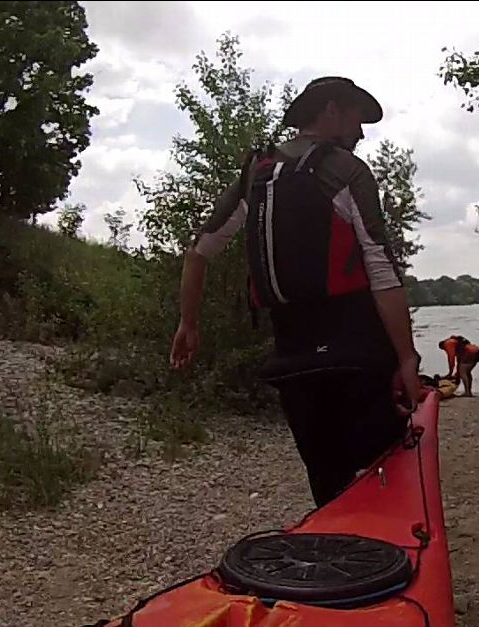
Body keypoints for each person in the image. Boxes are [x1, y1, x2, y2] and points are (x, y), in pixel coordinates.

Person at [168, 76, 423, 508]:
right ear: (330, 111)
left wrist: (188, 323)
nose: (360, 133)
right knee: (382, 470)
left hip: (291, 356)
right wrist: (407, 357)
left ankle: (336, 548)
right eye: (357, 120)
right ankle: (389, 558)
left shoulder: (257, 172)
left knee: (326, 479)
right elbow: (381, 268)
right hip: (356, 349)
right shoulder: (347, 170)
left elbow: (198, 251)